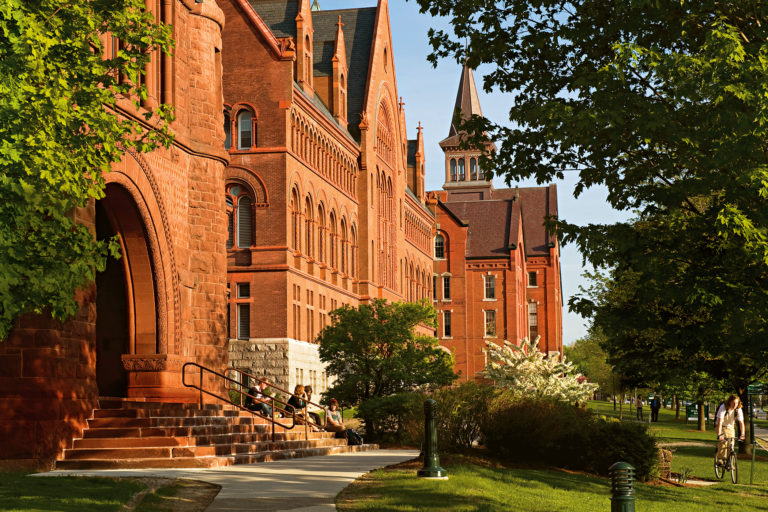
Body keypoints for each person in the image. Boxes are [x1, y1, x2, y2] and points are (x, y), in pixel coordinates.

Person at [715, 394, 746, 466]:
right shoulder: (723, 407)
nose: (735, 405)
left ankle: (729, 463)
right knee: (724, 441)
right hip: (720, 426)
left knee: (731, 444)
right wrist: (720, 434)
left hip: (731, 427)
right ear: (729, 402)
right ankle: (720, 459)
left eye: (737, 403)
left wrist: (742, 434)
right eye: (733, 403)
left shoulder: (738, 409)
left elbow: (741, 423)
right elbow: (719, 422)